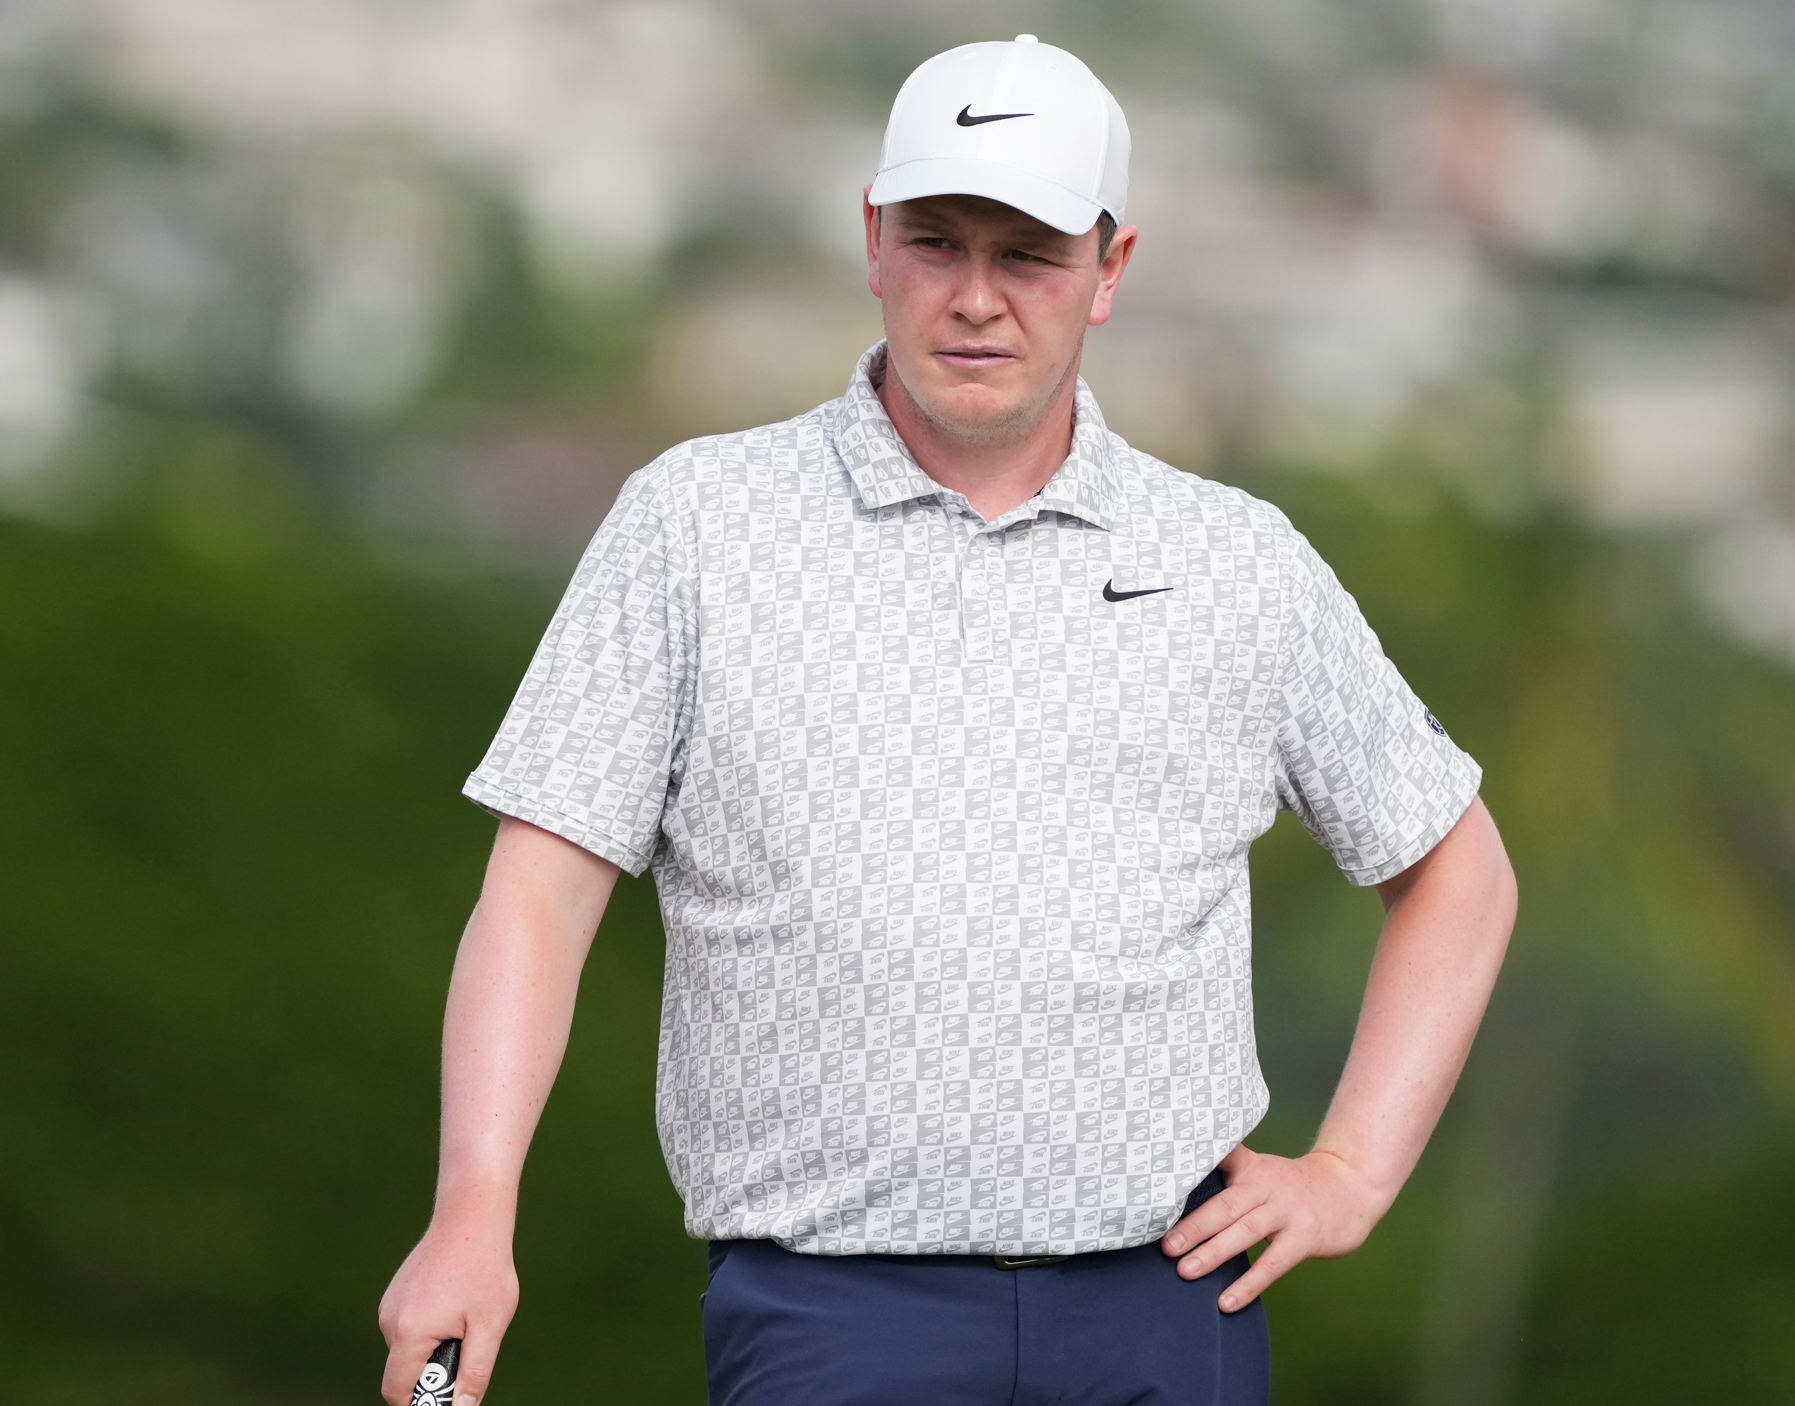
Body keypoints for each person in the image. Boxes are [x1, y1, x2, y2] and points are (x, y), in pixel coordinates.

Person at [379, 34, 1517, 1406]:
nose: (977, 300)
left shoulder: (1237, 560)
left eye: (1029, 256)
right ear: (872, 241)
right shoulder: (695, 527)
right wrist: (472, 1209)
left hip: (1164, 1306)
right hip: (831, 1309)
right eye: (938, 244)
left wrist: (1350, 1171)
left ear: (1111, 269)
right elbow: (537, 899)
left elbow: (1457, 869)